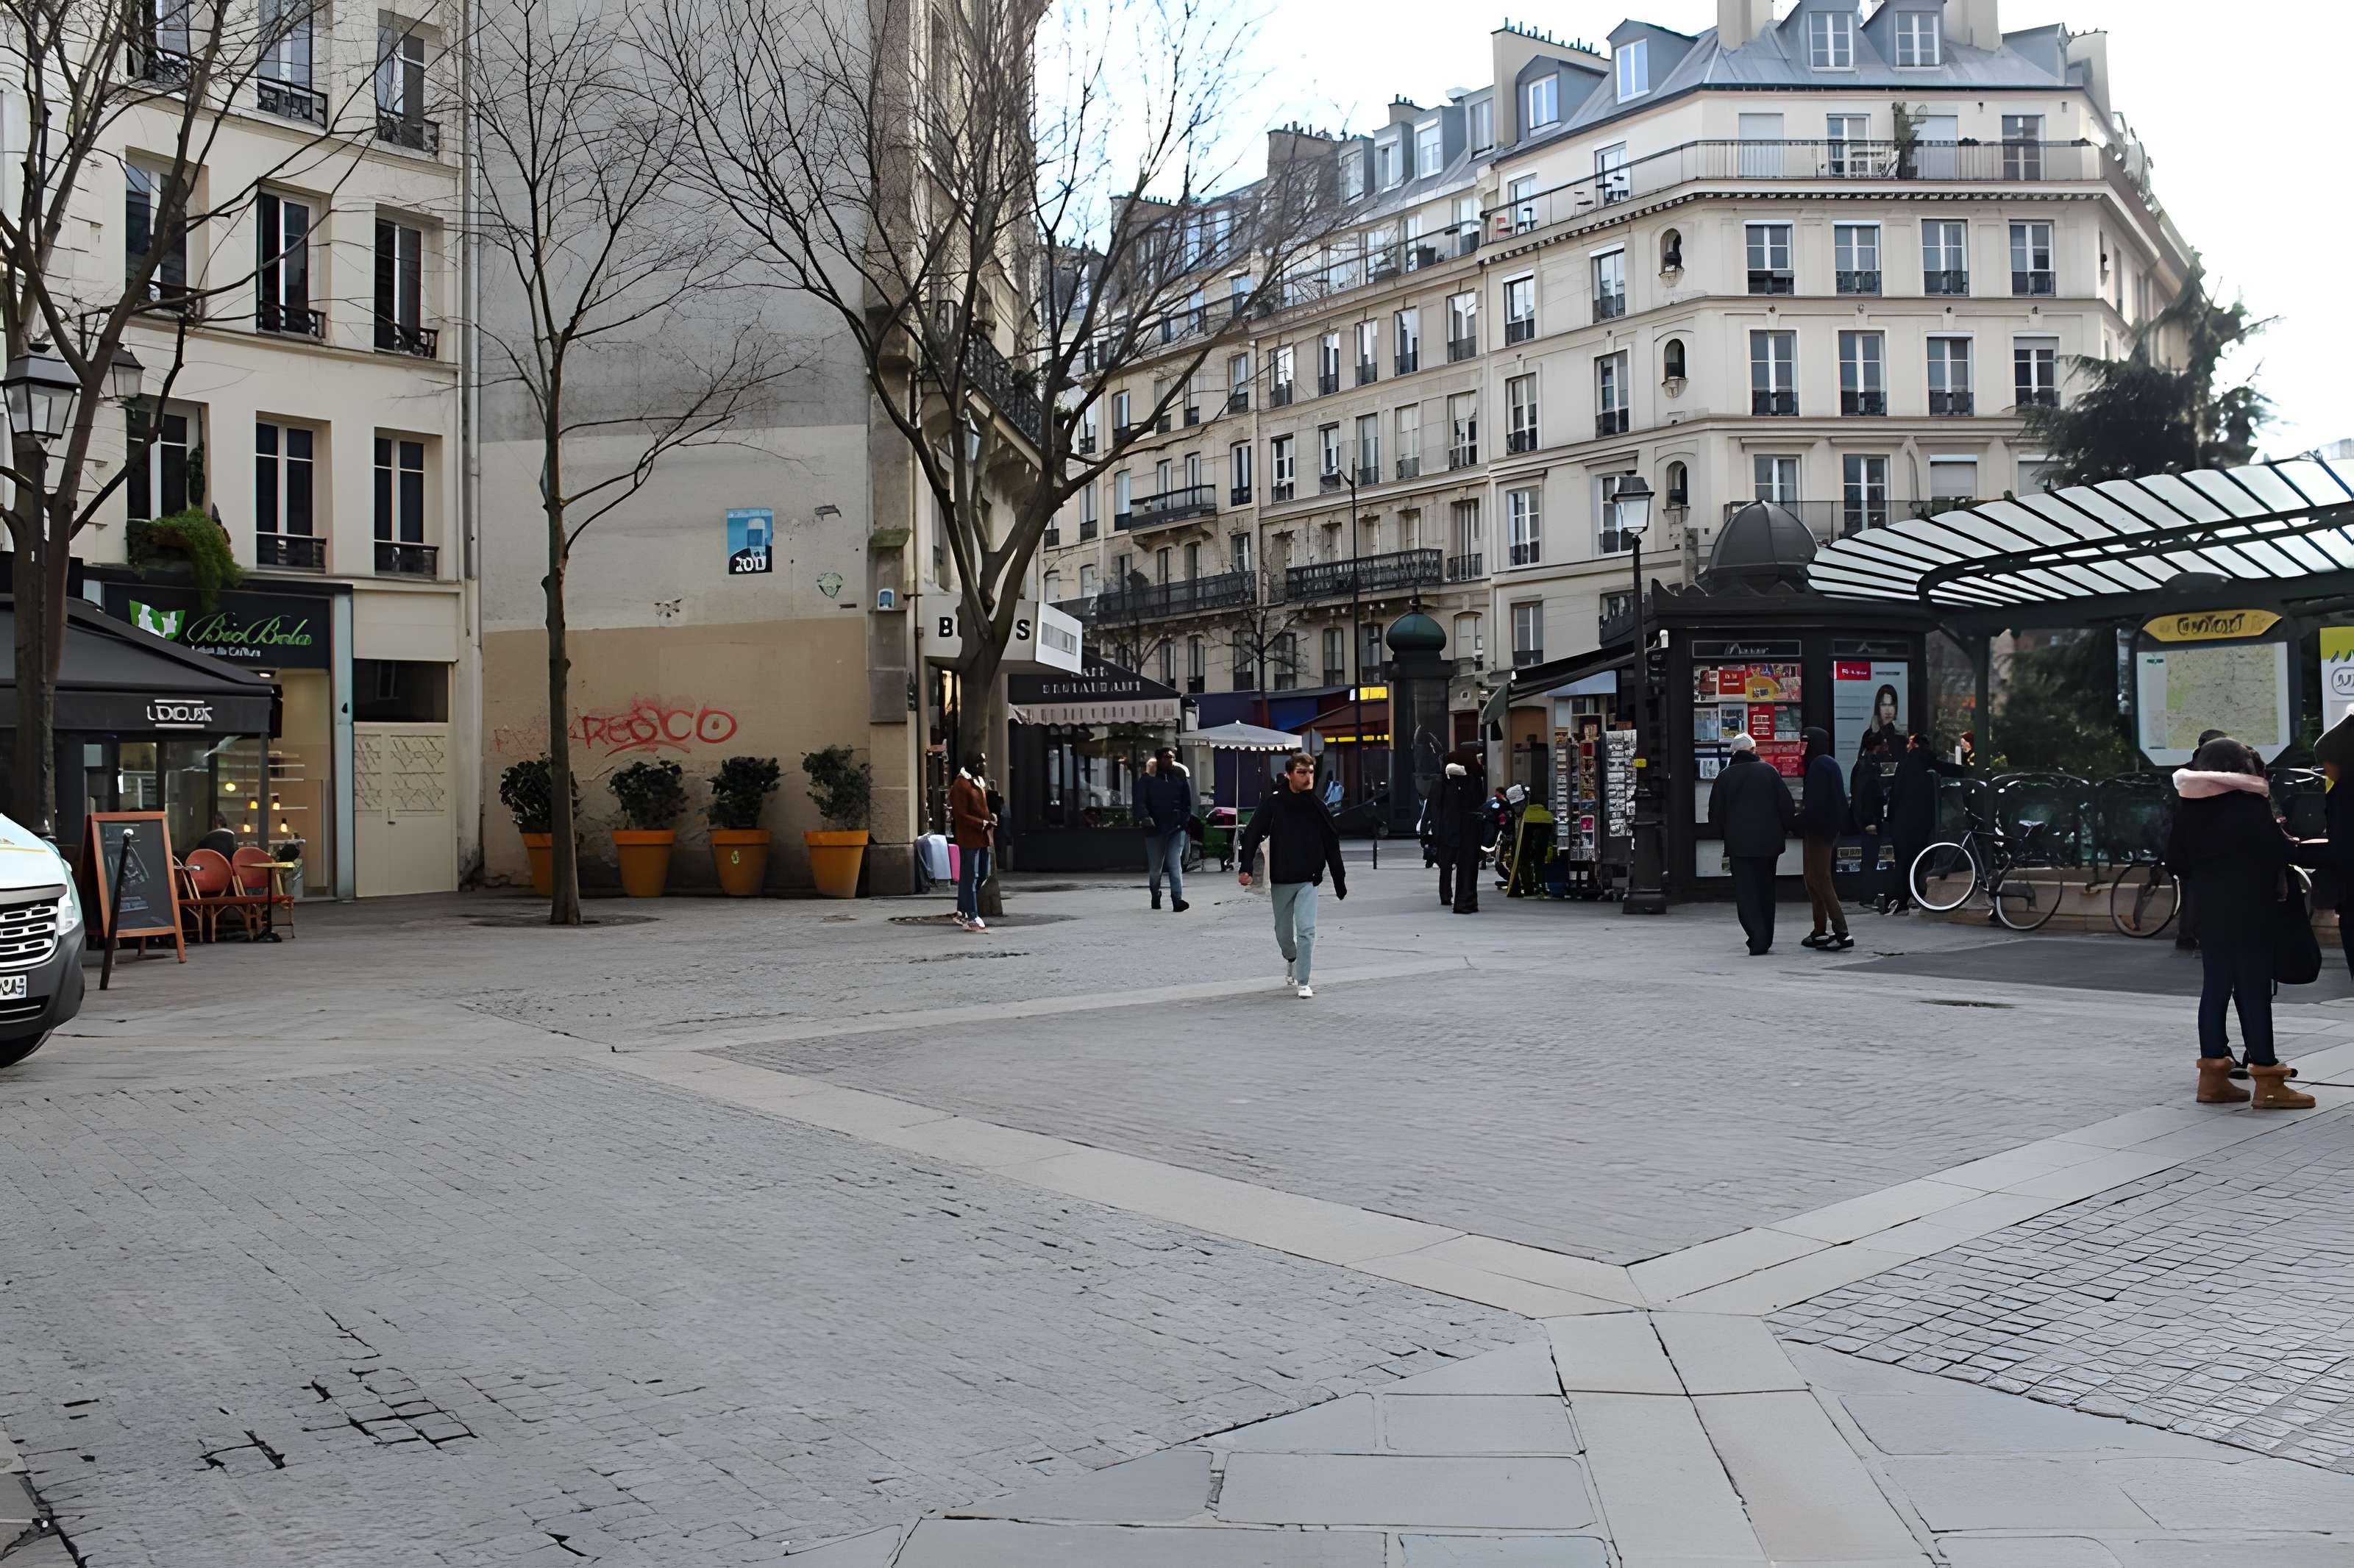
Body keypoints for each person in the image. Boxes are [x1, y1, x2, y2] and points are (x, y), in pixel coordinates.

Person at [2168, 736, 2313, 1109]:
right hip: (2250, 909)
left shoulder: (2189, 806)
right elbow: (2279, 853)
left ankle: (2213, 1079)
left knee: (2214, 988)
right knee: (2253, 990)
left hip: (2207, 911)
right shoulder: (2250, 803)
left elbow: (2175, 861)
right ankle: (2268, 1080)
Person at [1237, 751, 1348, 998]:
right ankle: (1291, 957)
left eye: (1311, 772)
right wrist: (1245, 868)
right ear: (1289, 775)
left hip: (1309, 878)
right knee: (1284, 933)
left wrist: (1339, 880)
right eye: (1301, 772)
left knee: (1307, 930)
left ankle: (1304, 981)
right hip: (1281, 877)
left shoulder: (1317, 807)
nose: (1308, 777)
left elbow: (1332, 842)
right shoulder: (1274, 804)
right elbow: (1253, 834)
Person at [1707, 732, 1796, 955]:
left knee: (1746, 893)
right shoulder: (1769, 772)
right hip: (1769, 844)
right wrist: (1783, 831)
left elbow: (1714, 814)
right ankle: (1766, 935)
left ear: (1733, 753)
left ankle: (1757, 936)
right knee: (1766, 889)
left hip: (1739, 845)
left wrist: (1723, 836)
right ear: (1754, 751)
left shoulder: (1725, 777)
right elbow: (1786, 806)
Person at [1885, 732, 1971, 911]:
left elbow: (1895, 795)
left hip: (1901, 822)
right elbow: (1952, 771)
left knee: (1902, 861)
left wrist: (1890, 820)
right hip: (1921, 823)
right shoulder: (1929, 766)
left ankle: (1898, 899)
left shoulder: (1904, 766)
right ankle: (1912, 895)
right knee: (1918, 859)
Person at [2301, 713, 2354, 980]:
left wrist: (2301, 852)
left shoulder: (2344, 795)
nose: (2326, 772)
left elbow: (2344, 849)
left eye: (2326, 765)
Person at [2175, 727, 2232, 951]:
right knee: (2199, 889)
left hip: (2186, 840)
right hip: (2204, 841)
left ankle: (2187, 934)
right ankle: (2196, 934)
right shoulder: (2213, 771)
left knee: (2190, 888)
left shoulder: (2187, 771)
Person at [1797, 727, 1851, 950]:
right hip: (1823, 829)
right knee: (1812, 879)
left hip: (1819, 831)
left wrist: (1799, 820)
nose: (1802, 747)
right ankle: (1819, 930)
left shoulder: (1819, 765)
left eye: (1805, 742)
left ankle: (1842, 931)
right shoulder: (1827, 763)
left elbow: (1817, 804)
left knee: (1820, 879)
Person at [1133, 747, 1194, 912]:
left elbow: (1187, 802)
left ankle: (1177, 899)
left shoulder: (1179, 777)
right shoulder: (1147, 779)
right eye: (1167, 757)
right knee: (1155, 868)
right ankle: (1155, 894)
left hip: (1176, 828)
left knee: (1175, 864)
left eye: (1172, 757)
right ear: (1159, 759)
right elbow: (1140, 801)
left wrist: (1183, 821)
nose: (1170, 760)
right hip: (1155, 829)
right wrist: (1146, 817)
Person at [1432, 747, 1487, 913]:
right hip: (1465, 830)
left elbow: (1438, 809)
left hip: (1453, 830)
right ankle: (1465, 900)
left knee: (1449, 866)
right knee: (1467, 867)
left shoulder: (1447, 783)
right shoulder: (1471, 780)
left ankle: (1454, 898)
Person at [949, 750, 995, 933]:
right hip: (969, 836)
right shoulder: (961, 785)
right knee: (970, 875)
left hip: (981, 835)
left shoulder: (977, 782)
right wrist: (983, 822)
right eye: (982, 763)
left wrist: (990, 816)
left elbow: (981, 808)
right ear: (974, 765)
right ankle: (972, 915)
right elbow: (961, 815)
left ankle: (962, 910)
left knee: (982, 874)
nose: (984, 766)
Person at [1848, 732, 1891, 913]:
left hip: (1869, 817)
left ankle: (1868, 895)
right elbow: (1865, 796)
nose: (1887, 748)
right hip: (1870, 819)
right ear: (1877, 746)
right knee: (1870, 858)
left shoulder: (1864, 764)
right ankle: (1867, 896)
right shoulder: (1868, 766)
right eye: (1884, 744)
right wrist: (1869, 820)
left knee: (1870, 858)